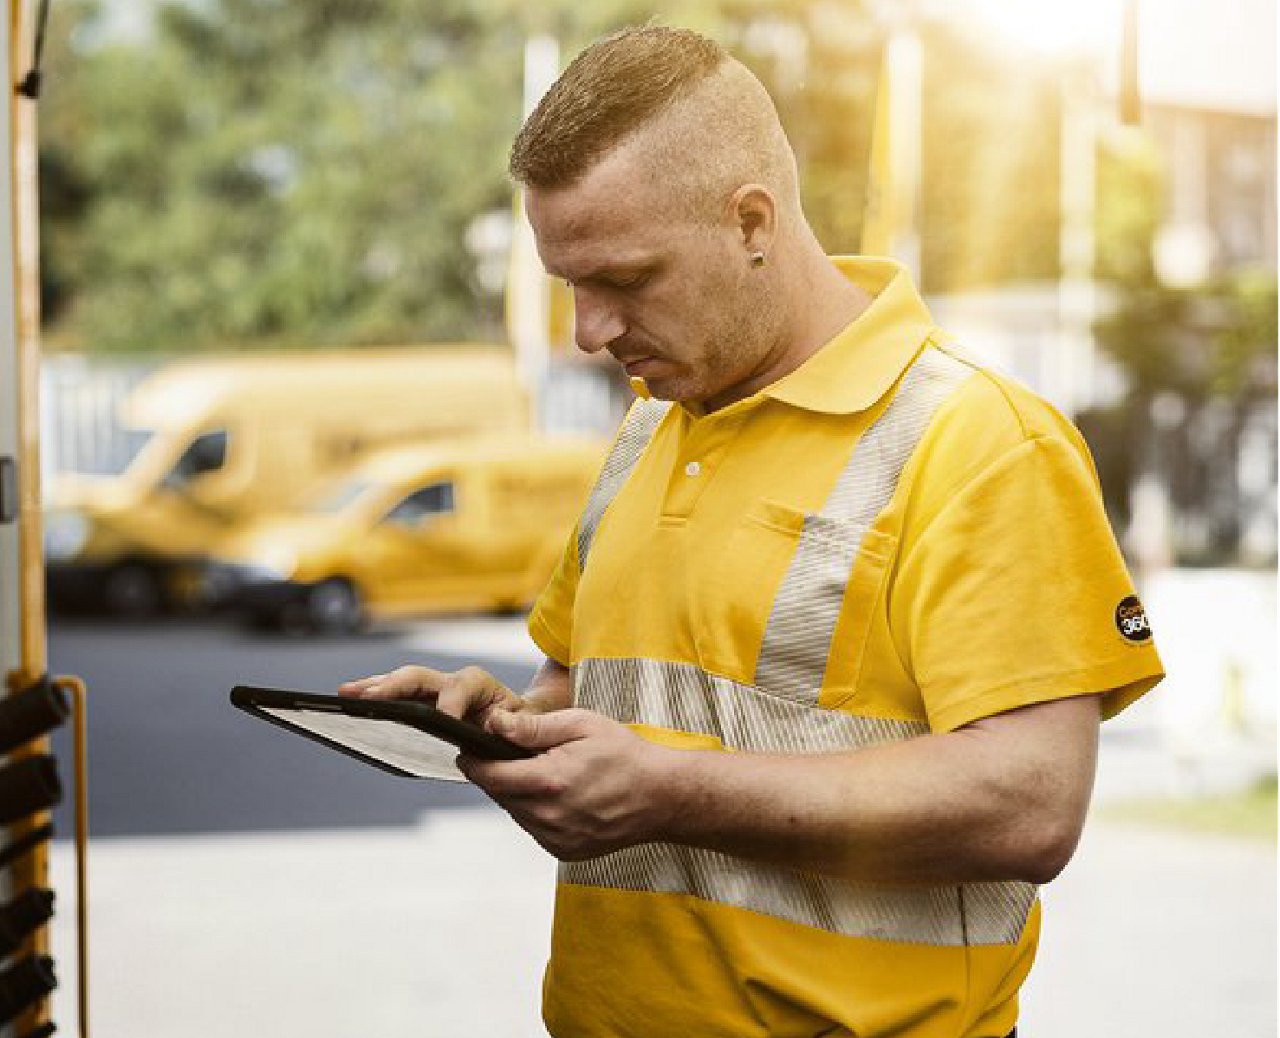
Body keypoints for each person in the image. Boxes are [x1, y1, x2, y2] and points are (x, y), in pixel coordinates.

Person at [342, 25, 1165, 1038]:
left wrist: (670, 793)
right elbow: (596, 696)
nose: (586, 333)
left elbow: (1029, 804)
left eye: (624, 280)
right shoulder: (649, 428)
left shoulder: (980, 442)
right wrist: (502, 723)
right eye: (569, 285)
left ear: (750, 222)